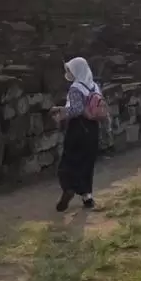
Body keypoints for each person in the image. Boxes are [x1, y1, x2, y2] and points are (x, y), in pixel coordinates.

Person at [51, 57, 103, 211]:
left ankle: (69, 187)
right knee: (87, 162)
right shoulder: (94, 86)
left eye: (70, 69)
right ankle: (87, 196)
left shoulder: (76, 88)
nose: (68, 73)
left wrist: (61, 112)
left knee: (69, 161)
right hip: (93, 128)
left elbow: (77, 109)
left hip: (78, 128)